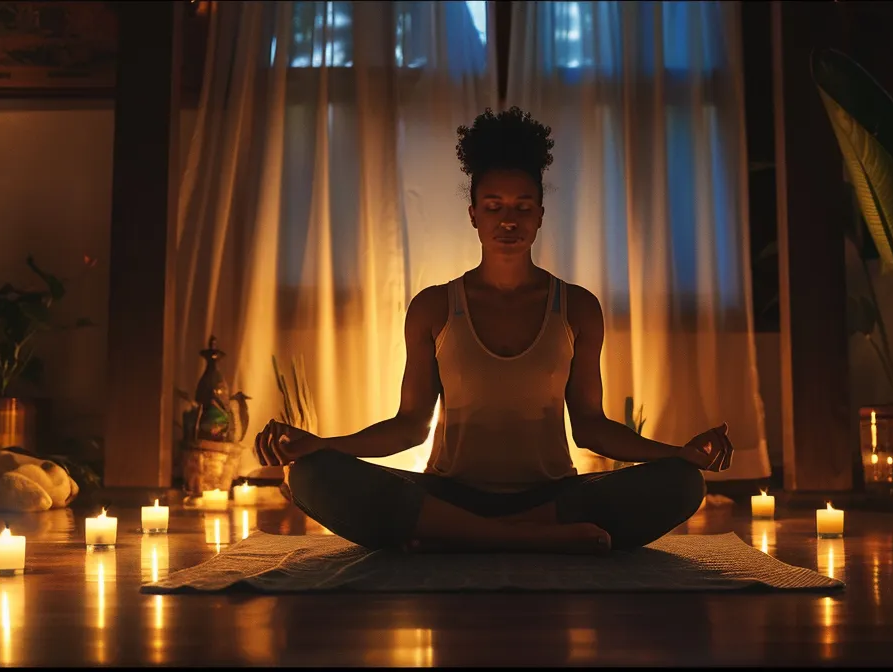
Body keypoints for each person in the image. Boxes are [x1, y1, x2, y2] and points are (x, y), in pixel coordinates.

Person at [252, 106, 735, 555]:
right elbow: (409, 426)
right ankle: (524, 540)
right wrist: (323, 445)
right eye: (494, 205)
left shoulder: (577, 307)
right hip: (448, 495)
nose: (508, 219)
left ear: (541, 216)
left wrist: (680, 454)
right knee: (310, 475)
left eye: (523, 207)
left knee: (683, 483)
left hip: (553, 497)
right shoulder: (435, 306)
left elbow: (590, 427)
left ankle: (469, 538)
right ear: (474, 214)